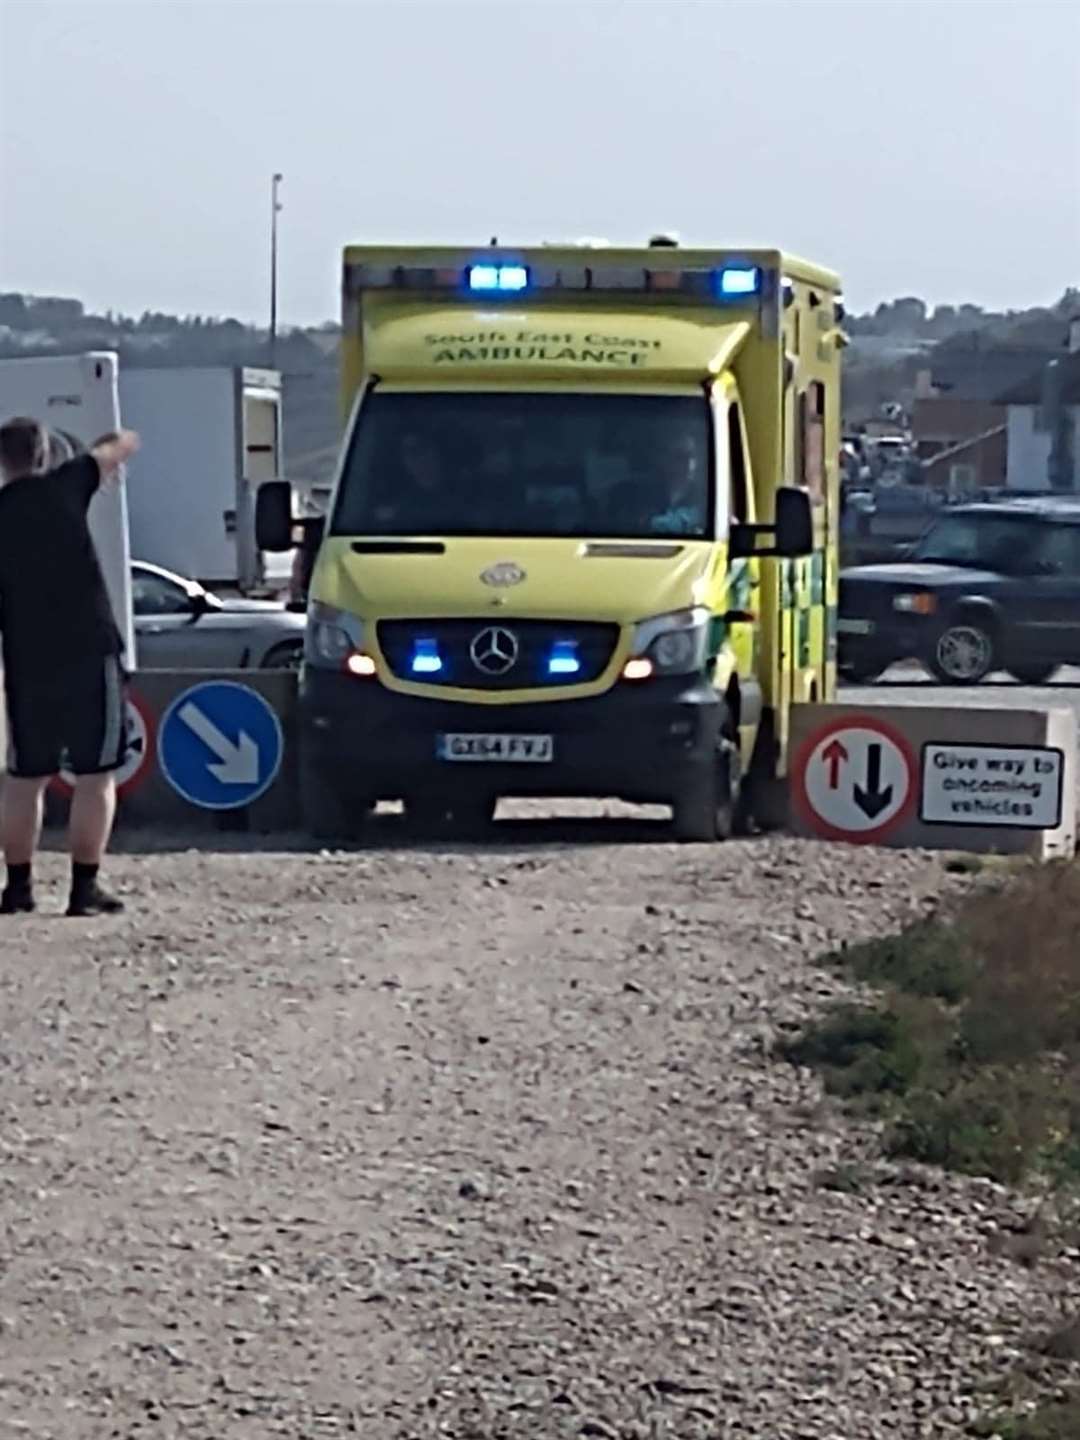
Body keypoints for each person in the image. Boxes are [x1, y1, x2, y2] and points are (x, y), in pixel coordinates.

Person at [0, 418, 140, 916]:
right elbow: (120, 446)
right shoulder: (65, 487)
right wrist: (100, 442)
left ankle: (17, 887)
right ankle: (83, 888)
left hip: (26, 659)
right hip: (88, 651)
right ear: (43, 455)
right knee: (95, 773)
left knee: (24, 777)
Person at [649, 431, 708, 536]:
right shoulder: (644, 495)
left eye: (692, 456)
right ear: (664, 460)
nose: (689, 463)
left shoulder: (706, 499)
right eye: (680, 456)